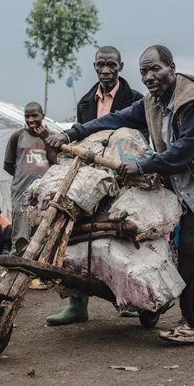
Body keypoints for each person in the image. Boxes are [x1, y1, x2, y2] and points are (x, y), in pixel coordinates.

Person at [48, 45, 194, 343]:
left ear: (172, 67)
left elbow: (182, 152)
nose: (148, 76)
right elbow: (114, 119)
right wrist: (73, 133)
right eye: (144, 71)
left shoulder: (193, 101)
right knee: (189, 256)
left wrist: (141, 167)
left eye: (155, 69)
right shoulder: (151, 104)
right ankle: (193, 325)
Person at [46, 45, 144, 326]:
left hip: (123, 174)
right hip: (91, 176)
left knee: (122, 234)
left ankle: (132, 300)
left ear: (120, 66)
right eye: (101, 64)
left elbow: (141, 137)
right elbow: (83, 136)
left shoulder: (134, 99)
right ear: (94, 66)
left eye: (111, 64)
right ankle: (77, 303)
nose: (106, 69)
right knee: (77, 232)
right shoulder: (86, 102)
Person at [4, 102, 57, 255]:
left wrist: (46, 139)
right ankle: (18, 262)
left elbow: (56, 162)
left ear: (43, 115)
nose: (31, 119)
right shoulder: (17, 136)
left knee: (42, 229)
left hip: (45, 192)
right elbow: (8, 165)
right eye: (27, 116)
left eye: (35, 115)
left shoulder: (52, 136)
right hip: (21, 192)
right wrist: (23, 177)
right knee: (21, 232)